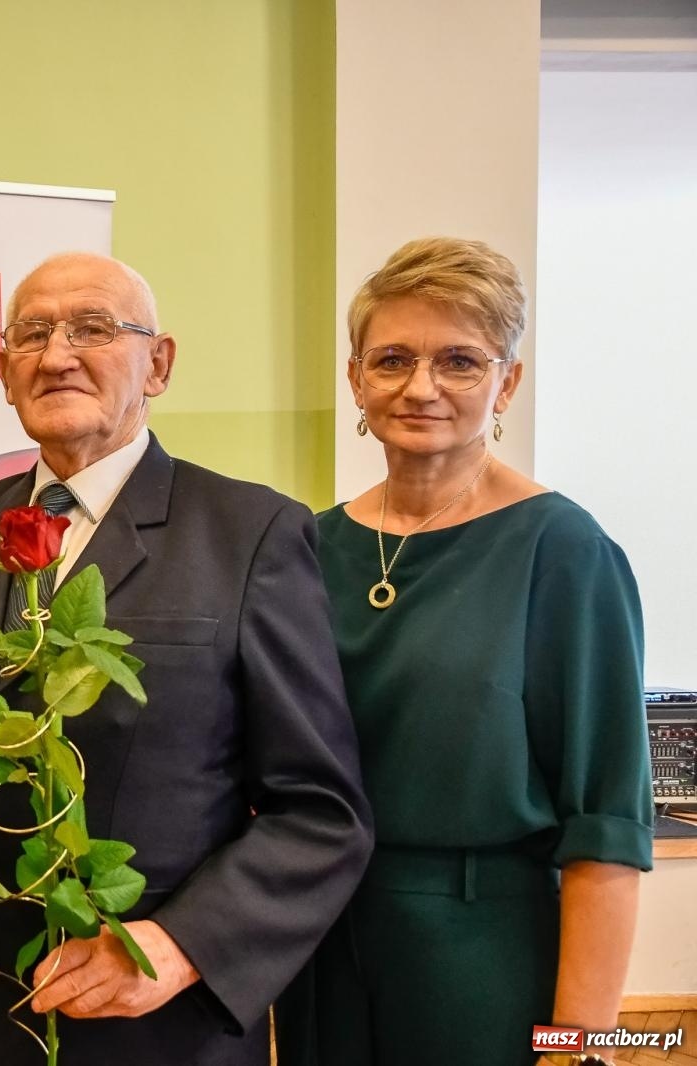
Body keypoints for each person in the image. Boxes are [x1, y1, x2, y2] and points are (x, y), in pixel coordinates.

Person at [0, 251, 373, 1065]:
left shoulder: (251, 535)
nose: (57, 355)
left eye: (93, 328)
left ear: (159, 363)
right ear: (1, 371)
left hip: (149, 1024)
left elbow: (321, 814)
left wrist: (180, 947)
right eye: (32, 334)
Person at [277, 237, 652, 1066]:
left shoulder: (565, 550)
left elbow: (607, 825)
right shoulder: (306, 545)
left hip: (484, 956)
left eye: (459, 361)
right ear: (355, 380)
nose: (421, 387)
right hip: (319, 947)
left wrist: (580, 1048)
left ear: (507, 381)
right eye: (393, 359)